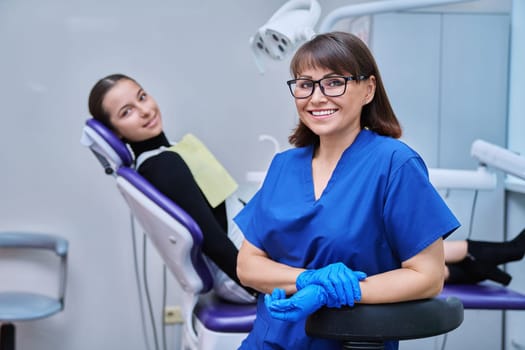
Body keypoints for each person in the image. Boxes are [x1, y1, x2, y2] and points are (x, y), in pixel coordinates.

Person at [233, 31, 460, 350]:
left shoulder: (395, 164)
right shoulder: (283, 166)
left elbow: (428, 276)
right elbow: (247, 265)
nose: (316, 97)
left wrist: (338, 290)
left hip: (348, 341)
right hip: (267, 342)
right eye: (304, 84)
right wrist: (306, 279)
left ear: (368, 89)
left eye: (334, 82)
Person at [87, 73, 256, 303]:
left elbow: (225, 207)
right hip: (244, 271)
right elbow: (214, 241)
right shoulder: (162, 166)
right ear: (115, 132)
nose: (145, 110)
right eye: (127, 112)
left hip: (249, 255)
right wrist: (261, 287)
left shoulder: (166, 154)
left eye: (142, 97)